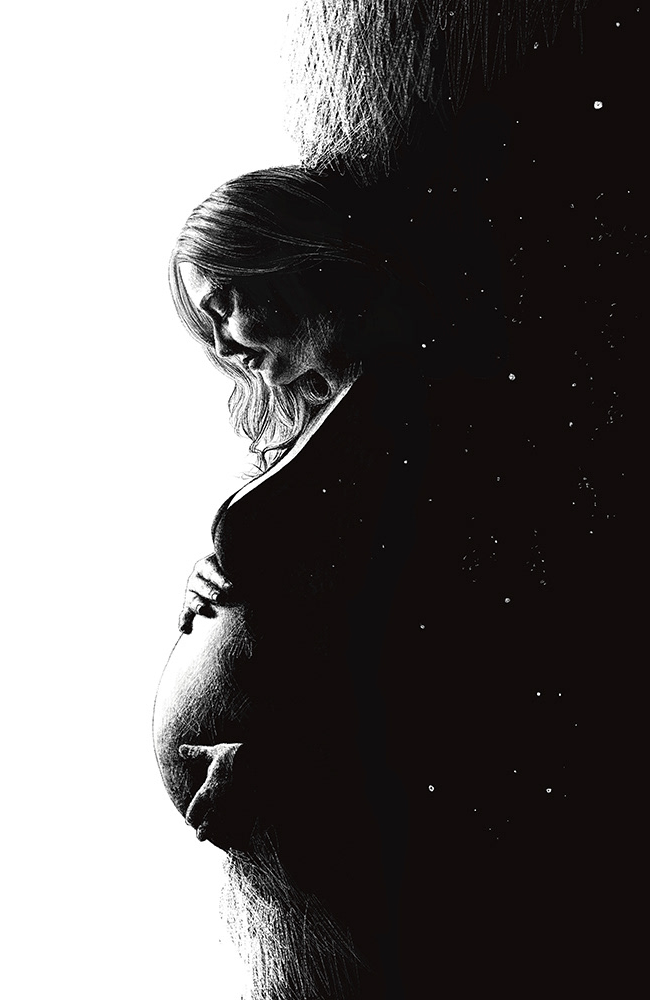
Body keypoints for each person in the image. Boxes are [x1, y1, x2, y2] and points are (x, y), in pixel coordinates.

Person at [152, 165, 600, 1000]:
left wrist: (295, 753)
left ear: (299, 259)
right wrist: (211, 590)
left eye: (226, 304)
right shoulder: (350, 411)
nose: (223, 347)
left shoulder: (430, 411)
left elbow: (472, 640)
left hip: (398, 844)